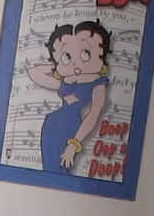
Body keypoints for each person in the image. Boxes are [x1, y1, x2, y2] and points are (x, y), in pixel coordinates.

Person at [28, 19, 112, 174]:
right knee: (50, 170)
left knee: (62, 170)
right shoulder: (66, 81)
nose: (76, 64)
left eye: (86, 54)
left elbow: (93, 115)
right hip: (51, 126)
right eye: (67, 56)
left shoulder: (98, 83)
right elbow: (34, 73)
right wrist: (59, 68)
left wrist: (74, 144)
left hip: (71, 130)